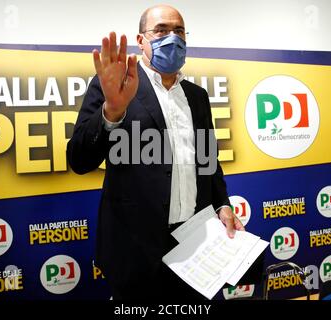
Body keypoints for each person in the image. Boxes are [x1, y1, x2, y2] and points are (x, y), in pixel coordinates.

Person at [67, 4, 244, 300]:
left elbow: (208, 161)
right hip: (136, 253)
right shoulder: (115, 87)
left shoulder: (197, 96)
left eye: (178, 31)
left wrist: (222, 204)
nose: (171, 38)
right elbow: (79, 160)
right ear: (141, 41)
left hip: (197, 247)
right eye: (161, 30)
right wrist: (112, 111)